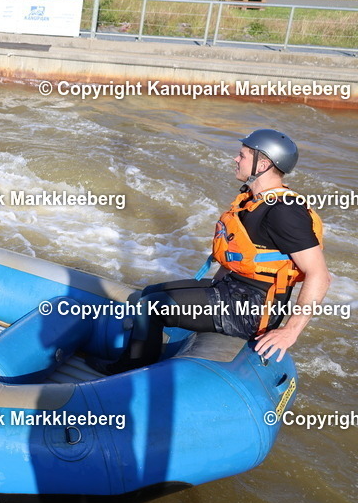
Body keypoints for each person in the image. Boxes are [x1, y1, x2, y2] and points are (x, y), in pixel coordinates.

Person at [92, 129, 329, 375]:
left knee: (151, 307)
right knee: (150, 293)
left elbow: (320, 275)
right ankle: (149, 357)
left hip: (251, 310)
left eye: (242, 155)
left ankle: (129, 373)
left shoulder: (284, 212)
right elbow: (241, 255)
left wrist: (290, 331)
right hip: (233, 291)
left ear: (264, 163)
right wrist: (206, 292)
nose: (235, 160)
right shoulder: (252, 200)